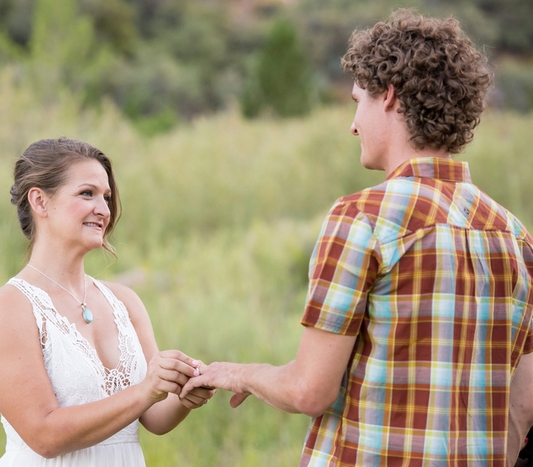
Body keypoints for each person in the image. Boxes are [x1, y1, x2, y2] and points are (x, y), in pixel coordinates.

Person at [181, 8, 533, 466]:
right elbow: (523, 407)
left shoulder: (362, 219)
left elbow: (310, 390)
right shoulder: (515, 235)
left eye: (356, 102)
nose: (352, 124)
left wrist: (240, 374)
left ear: (387, 96)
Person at [0, 137, 215, 466]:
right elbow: (44, 435)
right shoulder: (6, 309)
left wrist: (183, 394)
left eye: (106, 197)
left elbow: (154, 416)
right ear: (40, 202)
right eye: (87, 193)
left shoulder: (125, 302)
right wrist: (146, 389)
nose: (103, 210)